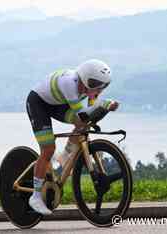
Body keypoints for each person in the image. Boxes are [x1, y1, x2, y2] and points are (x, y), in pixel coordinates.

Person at [26, 59, 119, 215]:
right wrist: (104, 105)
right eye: (95, 84)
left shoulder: (89, 87)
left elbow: (88, 116)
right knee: (48, 149)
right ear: (84, 78)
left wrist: (103, 108)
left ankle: (65, 157)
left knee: (82, 125)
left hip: (58, 105)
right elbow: (82, 114)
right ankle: (35, 197)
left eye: (103, 85)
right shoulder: (69, 83)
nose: (98, 89)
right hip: (38, 103)